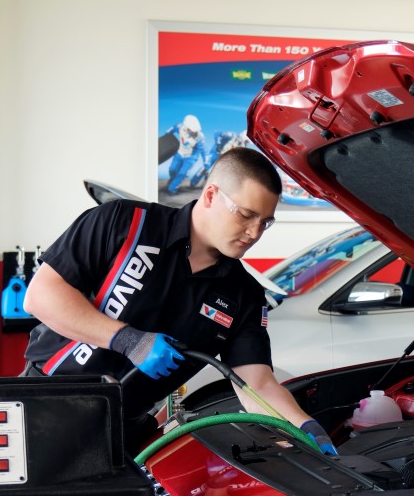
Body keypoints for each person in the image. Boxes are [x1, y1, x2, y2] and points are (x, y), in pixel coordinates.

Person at [22, 147, 337, 456]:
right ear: (211, 195)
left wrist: (303, 425)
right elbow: (41, 296)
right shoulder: (125, 223)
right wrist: (127, 340)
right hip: (44, 405)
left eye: (265, 222)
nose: (254, 232)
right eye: (246, 215)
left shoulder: (244, 295)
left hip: (121, 432)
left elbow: (256, 383)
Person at [164, 114, 209, 195]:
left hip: (190, 157)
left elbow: (204, 151)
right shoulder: (180, 127)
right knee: (172, 169)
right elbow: (172, 128)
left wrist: (206, 162)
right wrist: (167, 134)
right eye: (192, 129)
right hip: (179, 153)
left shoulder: (200, 138)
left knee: (182, 173)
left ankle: (172, 189)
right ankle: (173, 179)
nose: (194, 131)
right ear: (187, 127)